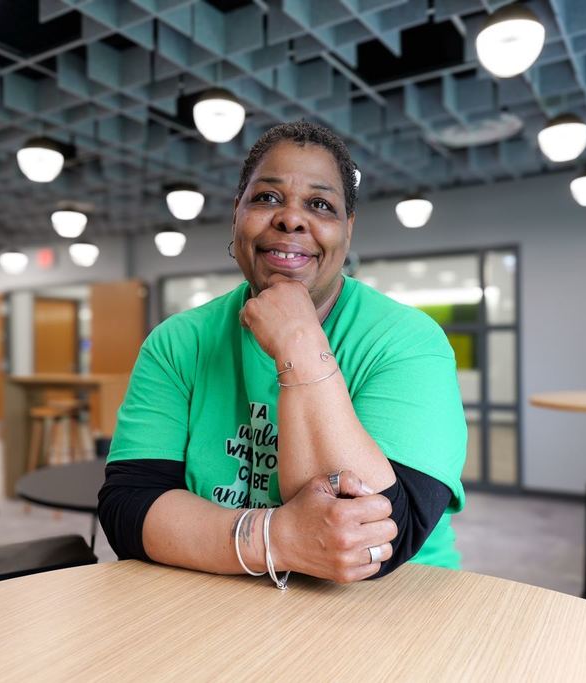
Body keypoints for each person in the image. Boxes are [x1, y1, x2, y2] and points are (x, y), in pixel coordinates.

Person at [98, 120, 466, 585]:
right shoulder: (177, 342)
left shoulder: (409, 341)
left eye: (320, 204)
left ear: (347, 231)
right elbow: (129, 508)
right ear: (237, 214)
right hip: (216, 598)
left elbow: (378, 539)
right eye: (266, 198)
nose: (291, 218)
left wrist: (300, 343)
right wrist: (277, 538)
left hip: (389, 607)